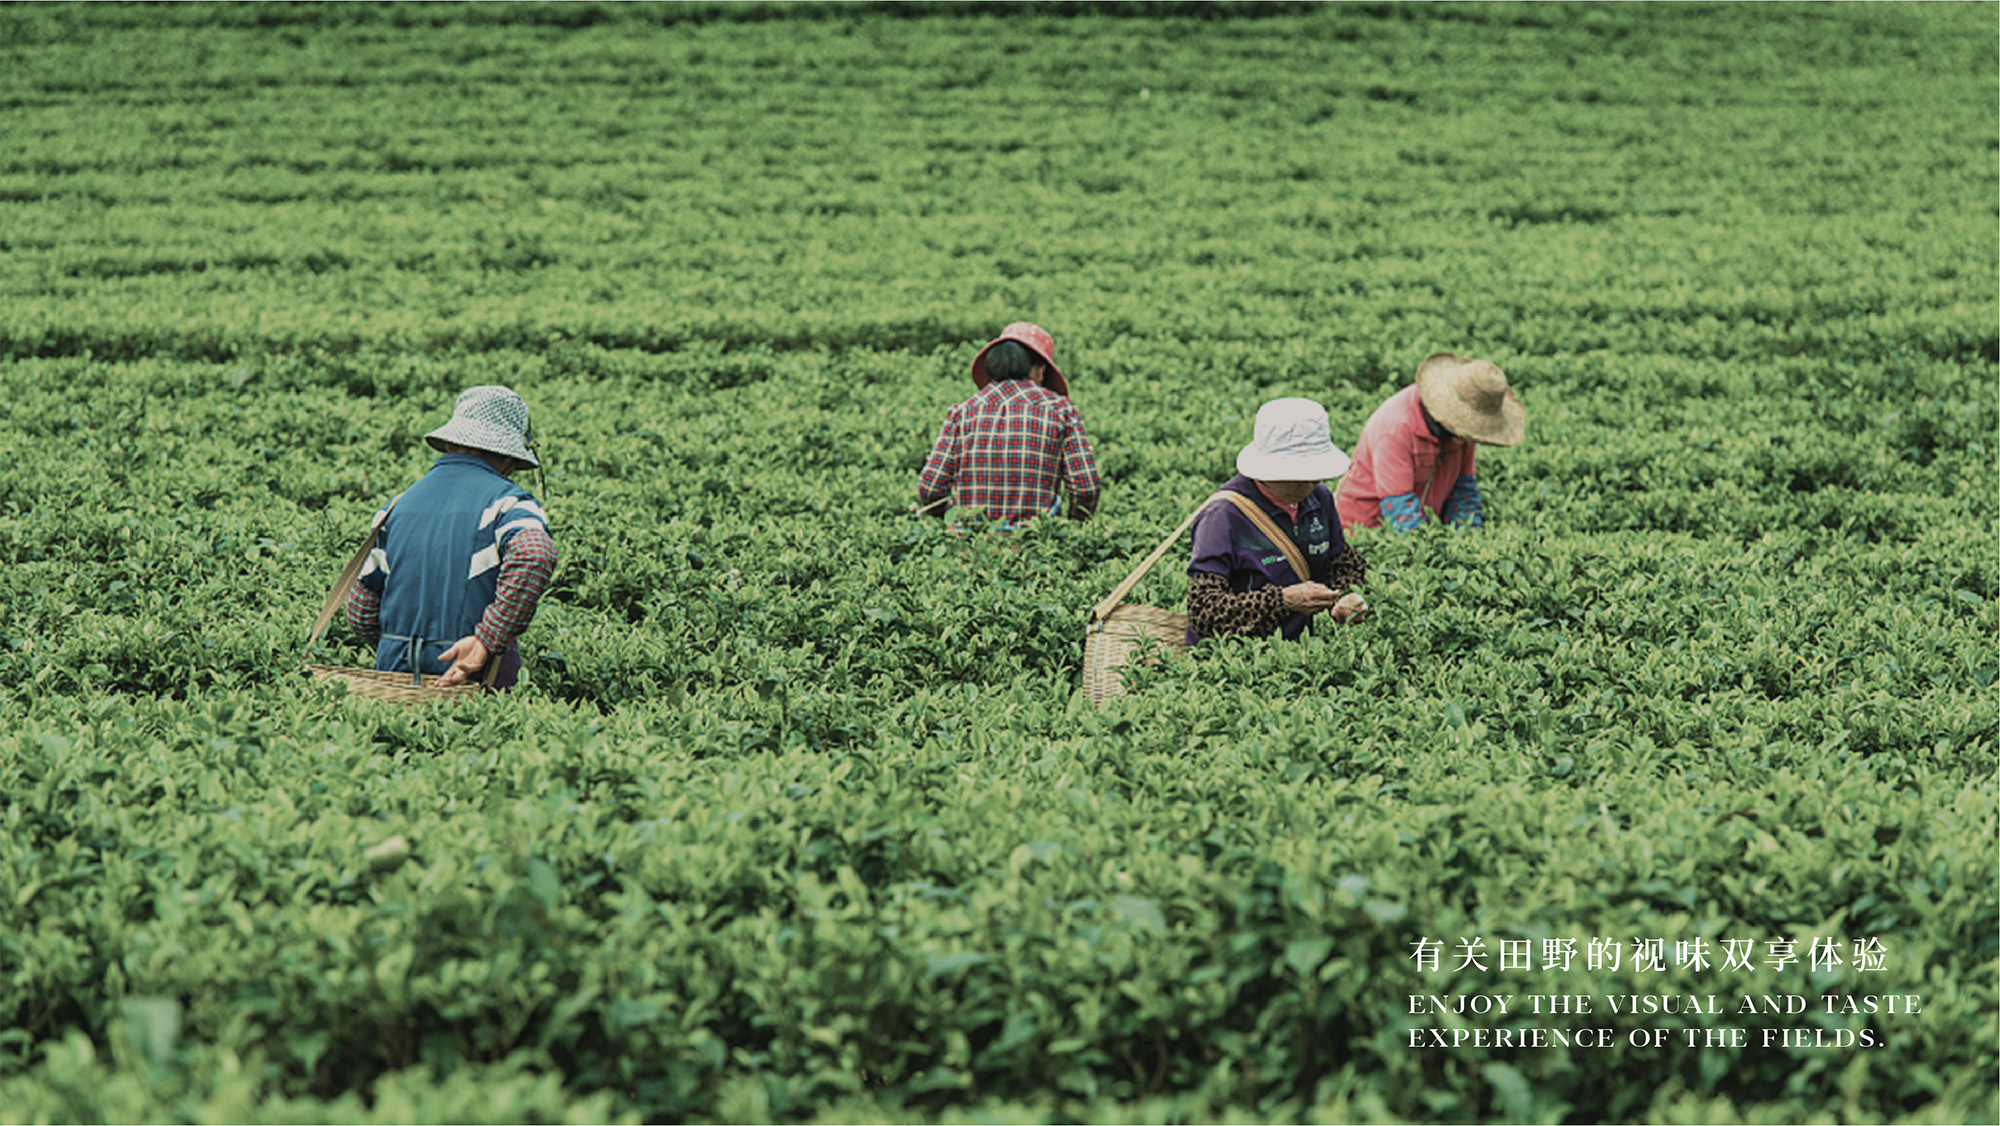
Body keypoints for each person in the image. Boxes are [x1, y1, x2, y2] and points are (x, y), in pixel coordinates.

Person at [345, 385, 557, 690]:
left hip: (393, 679)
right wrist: (486, 640)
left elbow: (361, 610)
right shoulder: (509, 503)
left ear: (448, 442)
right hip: (472, 677)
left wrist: (401, 645)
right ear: (510, 456)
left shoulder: (396, 506)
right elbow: (535, 554)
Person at [1186, 398, 1369, 645]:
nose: (1309, 483)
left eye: (1315, 473)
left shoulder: (1319, 498)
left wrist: (1344, 596)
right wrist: (1281, 601)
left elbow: (1341, 563)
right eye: (1296, 474)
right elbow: (1204, 610)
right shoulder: (1223, 516)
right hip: (1232, 662)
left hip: (1296, 656)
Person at [916, 322, 1101, 525]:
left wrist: (949, 519)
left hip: (971, 546)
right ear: (1040, 368)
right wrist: (1075, 527)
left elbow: (930, 486)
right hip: (1037, 545)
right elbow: (1086, 487)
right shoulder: (1061, 411)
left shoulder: (963, 412)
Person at [1335, 353, 1525, 532]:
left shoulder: (1463, 432)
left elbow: (1463, 492)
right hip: (1365, 530)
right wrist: (1430, 555)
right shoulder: (1395, 428)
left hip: (1423, 522)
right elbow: (1400, 512)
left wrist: (1466, 543)